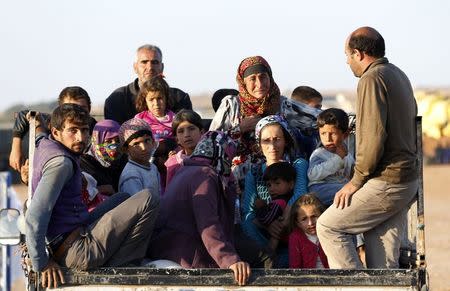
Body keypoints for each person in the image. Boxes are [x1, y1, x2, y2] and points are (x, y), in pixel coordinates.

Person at [25, 104, 159, 288]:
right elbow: (34, 216)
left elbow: (39, 134)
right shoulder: (61, 164)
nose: (80, 137)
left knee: (123, 197)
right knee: (149, 198)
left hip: (75, 233)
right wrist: (42, 263)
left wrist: (37, 122)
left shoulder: (45, 143)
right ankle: (122, 267)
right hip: (77, 251)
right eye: (73, 130)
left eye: (84, 130)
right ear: (56, 133)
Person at [317, 26, 419, 269]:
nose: (347, 62)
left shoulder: (371, 79)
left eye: (347, 56)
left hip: (386, 181)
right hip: (405, 180)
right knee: (382, 267)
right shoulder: (397, 74)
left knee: (328, 226)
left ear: (359, 54)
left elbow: (373, 137)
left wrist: (356, 181)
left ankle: (354, 287)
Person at [148, 131, 251, 286]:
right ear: (221, 155)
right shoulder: (204, 175)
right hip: (188, 257)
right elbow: (208, 224)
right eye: (228, 158)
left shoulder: (186, 170)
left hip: (169, 249)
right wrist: (229, 260)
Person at [241, 115, 308, 266]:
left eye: (277, 139)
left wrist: (284, 219)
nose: (272, 145)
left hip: (293, 228)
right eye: (266, 140)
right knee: (246, 222)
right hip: (264, 234)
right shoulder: (255, 172)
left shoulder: (298, 165)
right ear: (259, 144)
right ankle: (266, 259)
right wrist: (268, 225)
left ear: (286, 140)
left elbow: (300, 193)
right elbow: (248, 210)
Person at [9, 86, 97, 172]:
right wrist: (16, 148)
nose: (77, 112)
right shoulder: (51, 122)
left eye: (82, 109)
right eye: (69, 108)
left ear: (89, 109)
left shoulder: (99, 130)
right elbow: (25, 115)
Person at [104, 44, 192, 125]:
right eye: (144, 62)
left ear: (162, 67)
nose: (150, 67)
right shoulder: (117, 100)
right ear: (135, 67)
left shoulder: (180, 98)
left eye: (154, 62)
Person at [308, 108, 354, 206]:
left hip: (339, 186)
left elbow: (351, 173)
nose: (327, 139)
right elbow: (312, 174)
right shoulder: (319, 153)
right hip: (320, 188)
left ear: (345, 135)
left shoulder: (347, 154)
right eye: (323, 133)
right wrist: (337, 159)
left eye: (333, 134)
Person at [254, 161, 296, 250]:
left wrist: (260, 207)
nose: (272, 189)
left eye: (277, 183)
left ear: (291, 184)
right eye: (269, 185)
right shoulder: (287, 200)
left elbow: (266, 219)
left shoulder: (280, 202)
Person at [80, 119, 128, 195]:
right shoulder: (85, 164)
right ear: (97, 141)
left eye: (118, 140)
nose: (114, 146)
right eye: (108, 141)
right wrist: (98, 190)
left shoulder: (124, 160)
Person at [118, 118, 160, 197]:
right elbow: (137, 206)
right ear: (126, 149)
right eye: (136, 144)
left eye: (147, 140)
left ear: (153, 142)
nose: (143, 147)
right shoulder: (131, 176)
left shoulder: (153, 167)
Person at [288, 193, 328, 269]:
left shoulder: (329, 232)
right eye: (304, 219)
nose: (310, 223)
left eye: (314, 216)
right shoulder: (295, 237)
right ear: (297, 223)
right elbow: (295, 267)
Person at [164, 109, 204, 185]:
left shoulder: (211, 158)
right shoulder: (173, 162)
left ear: (201, 133)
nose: (186, 135)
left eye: (191, 129)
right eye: (181, 131)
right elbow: (170, 192)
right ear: (177, 139)